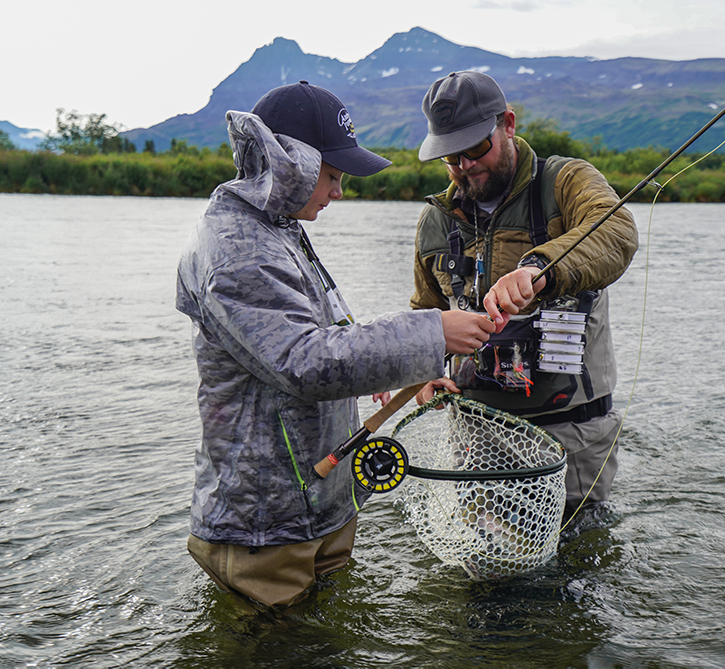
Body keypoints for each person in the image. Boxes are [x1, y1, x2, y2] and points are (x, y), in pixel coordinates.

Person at [175, 81, 494, 607]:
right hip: (265, 528)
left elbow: (328, 340)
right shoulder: (236, 252)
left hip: (314, 503)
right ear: (290, 164)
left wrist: (413, 365)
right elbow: (304, 361)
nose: (339, 192)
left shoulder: (276, 229)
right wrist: (434, 331)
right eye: (333, 176)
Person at [410, 71, 638, 516]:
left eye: (476, 149)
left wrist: (539, 269)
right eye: (450, 158)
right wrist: (420, 374)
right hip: (475, 435)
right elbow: (425, 313)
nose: (465, 166)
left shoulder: (566, 181)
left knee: (571, 569)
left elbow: (616, 231)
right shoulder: (435, 221)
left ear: (508, 124)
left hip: (571, 434)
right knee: (483, 573)